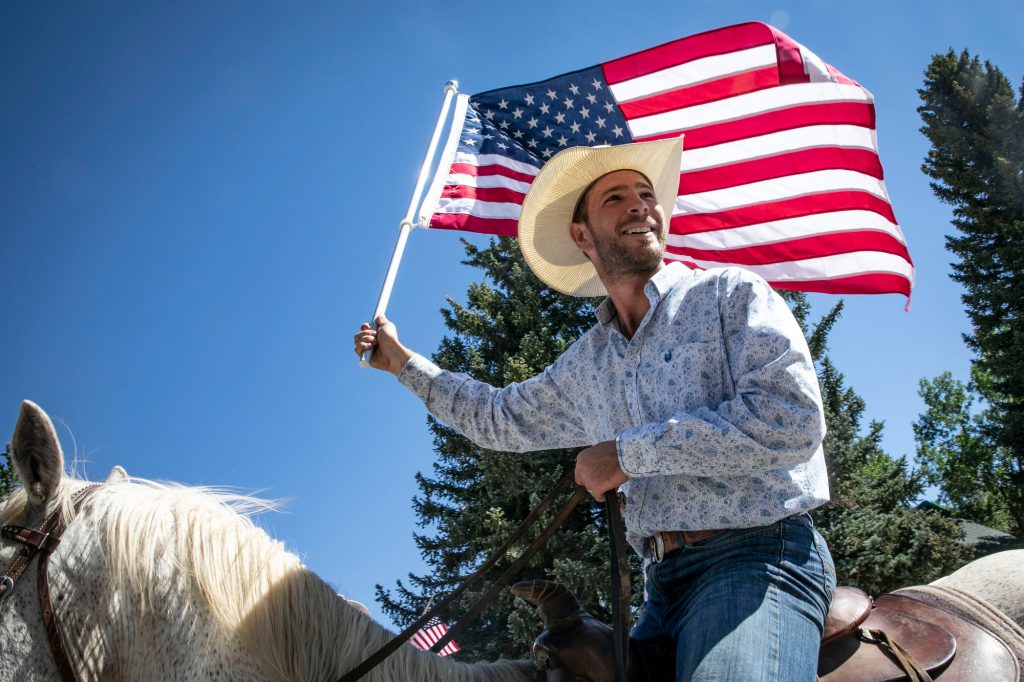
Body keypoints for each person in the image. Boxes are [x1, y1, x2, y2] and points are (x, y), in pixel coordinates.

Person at [354, 137, 835, 681]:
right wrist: (401, 364)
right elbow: (498, 417)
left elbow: (788, 420)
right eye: (615, 198)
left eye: (646, 193)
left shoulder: (728, 294)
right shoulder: (588, 363)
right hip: (662, 591)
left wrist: (628, 455)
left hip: (758, 557)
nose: (638, 204)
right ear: (582, 235)